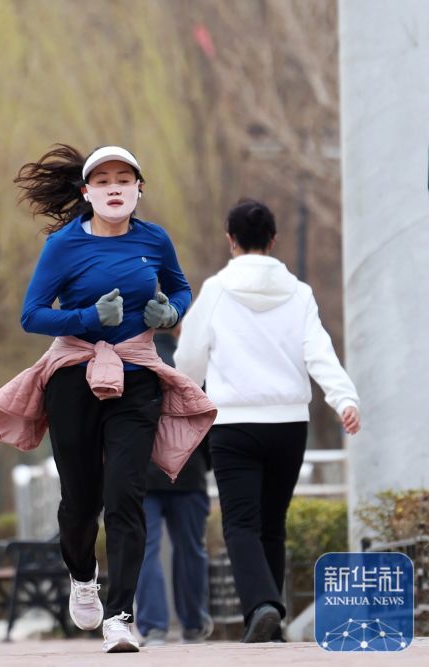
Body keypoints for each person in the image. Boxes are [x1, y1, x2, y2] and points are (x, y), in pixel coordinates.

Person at [0, 145, 215, 653]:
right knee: (81, 501)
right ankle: (82, 575)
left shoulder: (155, 239)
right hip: (74, 376)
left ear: (138, 190)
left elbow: (181, 290)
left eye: (124, 179)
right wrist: (87, 319)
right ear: (86, 192)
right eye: (103, 180)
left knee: (126, 496)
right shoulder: (64, 245)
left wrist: (167, 312)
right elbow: (32, 315)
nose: (115, 187)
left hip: (137, 375)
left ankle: (120, 617)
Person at [175, 199, 361, 642]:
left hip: (233, 425)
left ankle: (262, 606)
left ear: (230, 240)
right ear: (273, 240)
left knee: (241, 523)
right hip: (289, 425)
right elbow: (319, 352)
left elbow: (189, 357)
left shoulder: (216, 290)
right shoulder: (299, 293)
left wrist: (186, 392)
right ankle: (271, 622)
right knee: (272, 521)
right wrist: (344, 399)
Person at [134, 327, 213, 646]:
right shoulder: (193, 365)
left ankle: (153, 626)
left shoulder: (135, 361)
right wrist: (203, 462)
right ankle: (193, 622)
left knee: (144, 550)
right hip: (188, 471)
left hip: (142, 474)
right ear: (181, 326)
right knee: (191, 549)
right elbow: (207, 414)